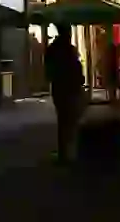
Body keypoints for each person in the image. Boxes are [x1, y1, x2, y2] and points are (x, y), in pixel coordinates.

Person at [44, 23, 85, 162]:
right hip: (71, 87)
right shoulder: (70, 49)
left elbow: (48, 70)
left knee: (63, 119)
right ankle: (71, 149)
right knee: (72, 118)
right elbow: (77, 68)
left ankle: (64, 151)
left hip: (60, 87)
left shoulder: (52, 49)